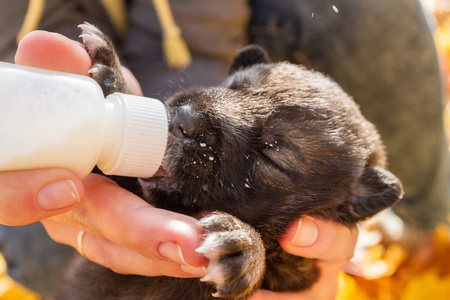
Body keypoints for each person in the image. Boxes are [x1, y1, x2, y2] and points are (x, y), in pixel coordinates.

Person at [0, 0, 447, 299]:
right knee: (48, 242)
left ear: (348, 200)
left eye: (272, 155)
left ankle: (433, 224)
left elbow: (287, 268)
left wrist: (251, 253)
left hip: (187, 44)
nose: (200, 116)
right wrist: (101, 106)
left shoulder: (299, 220)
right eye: (232, 88)